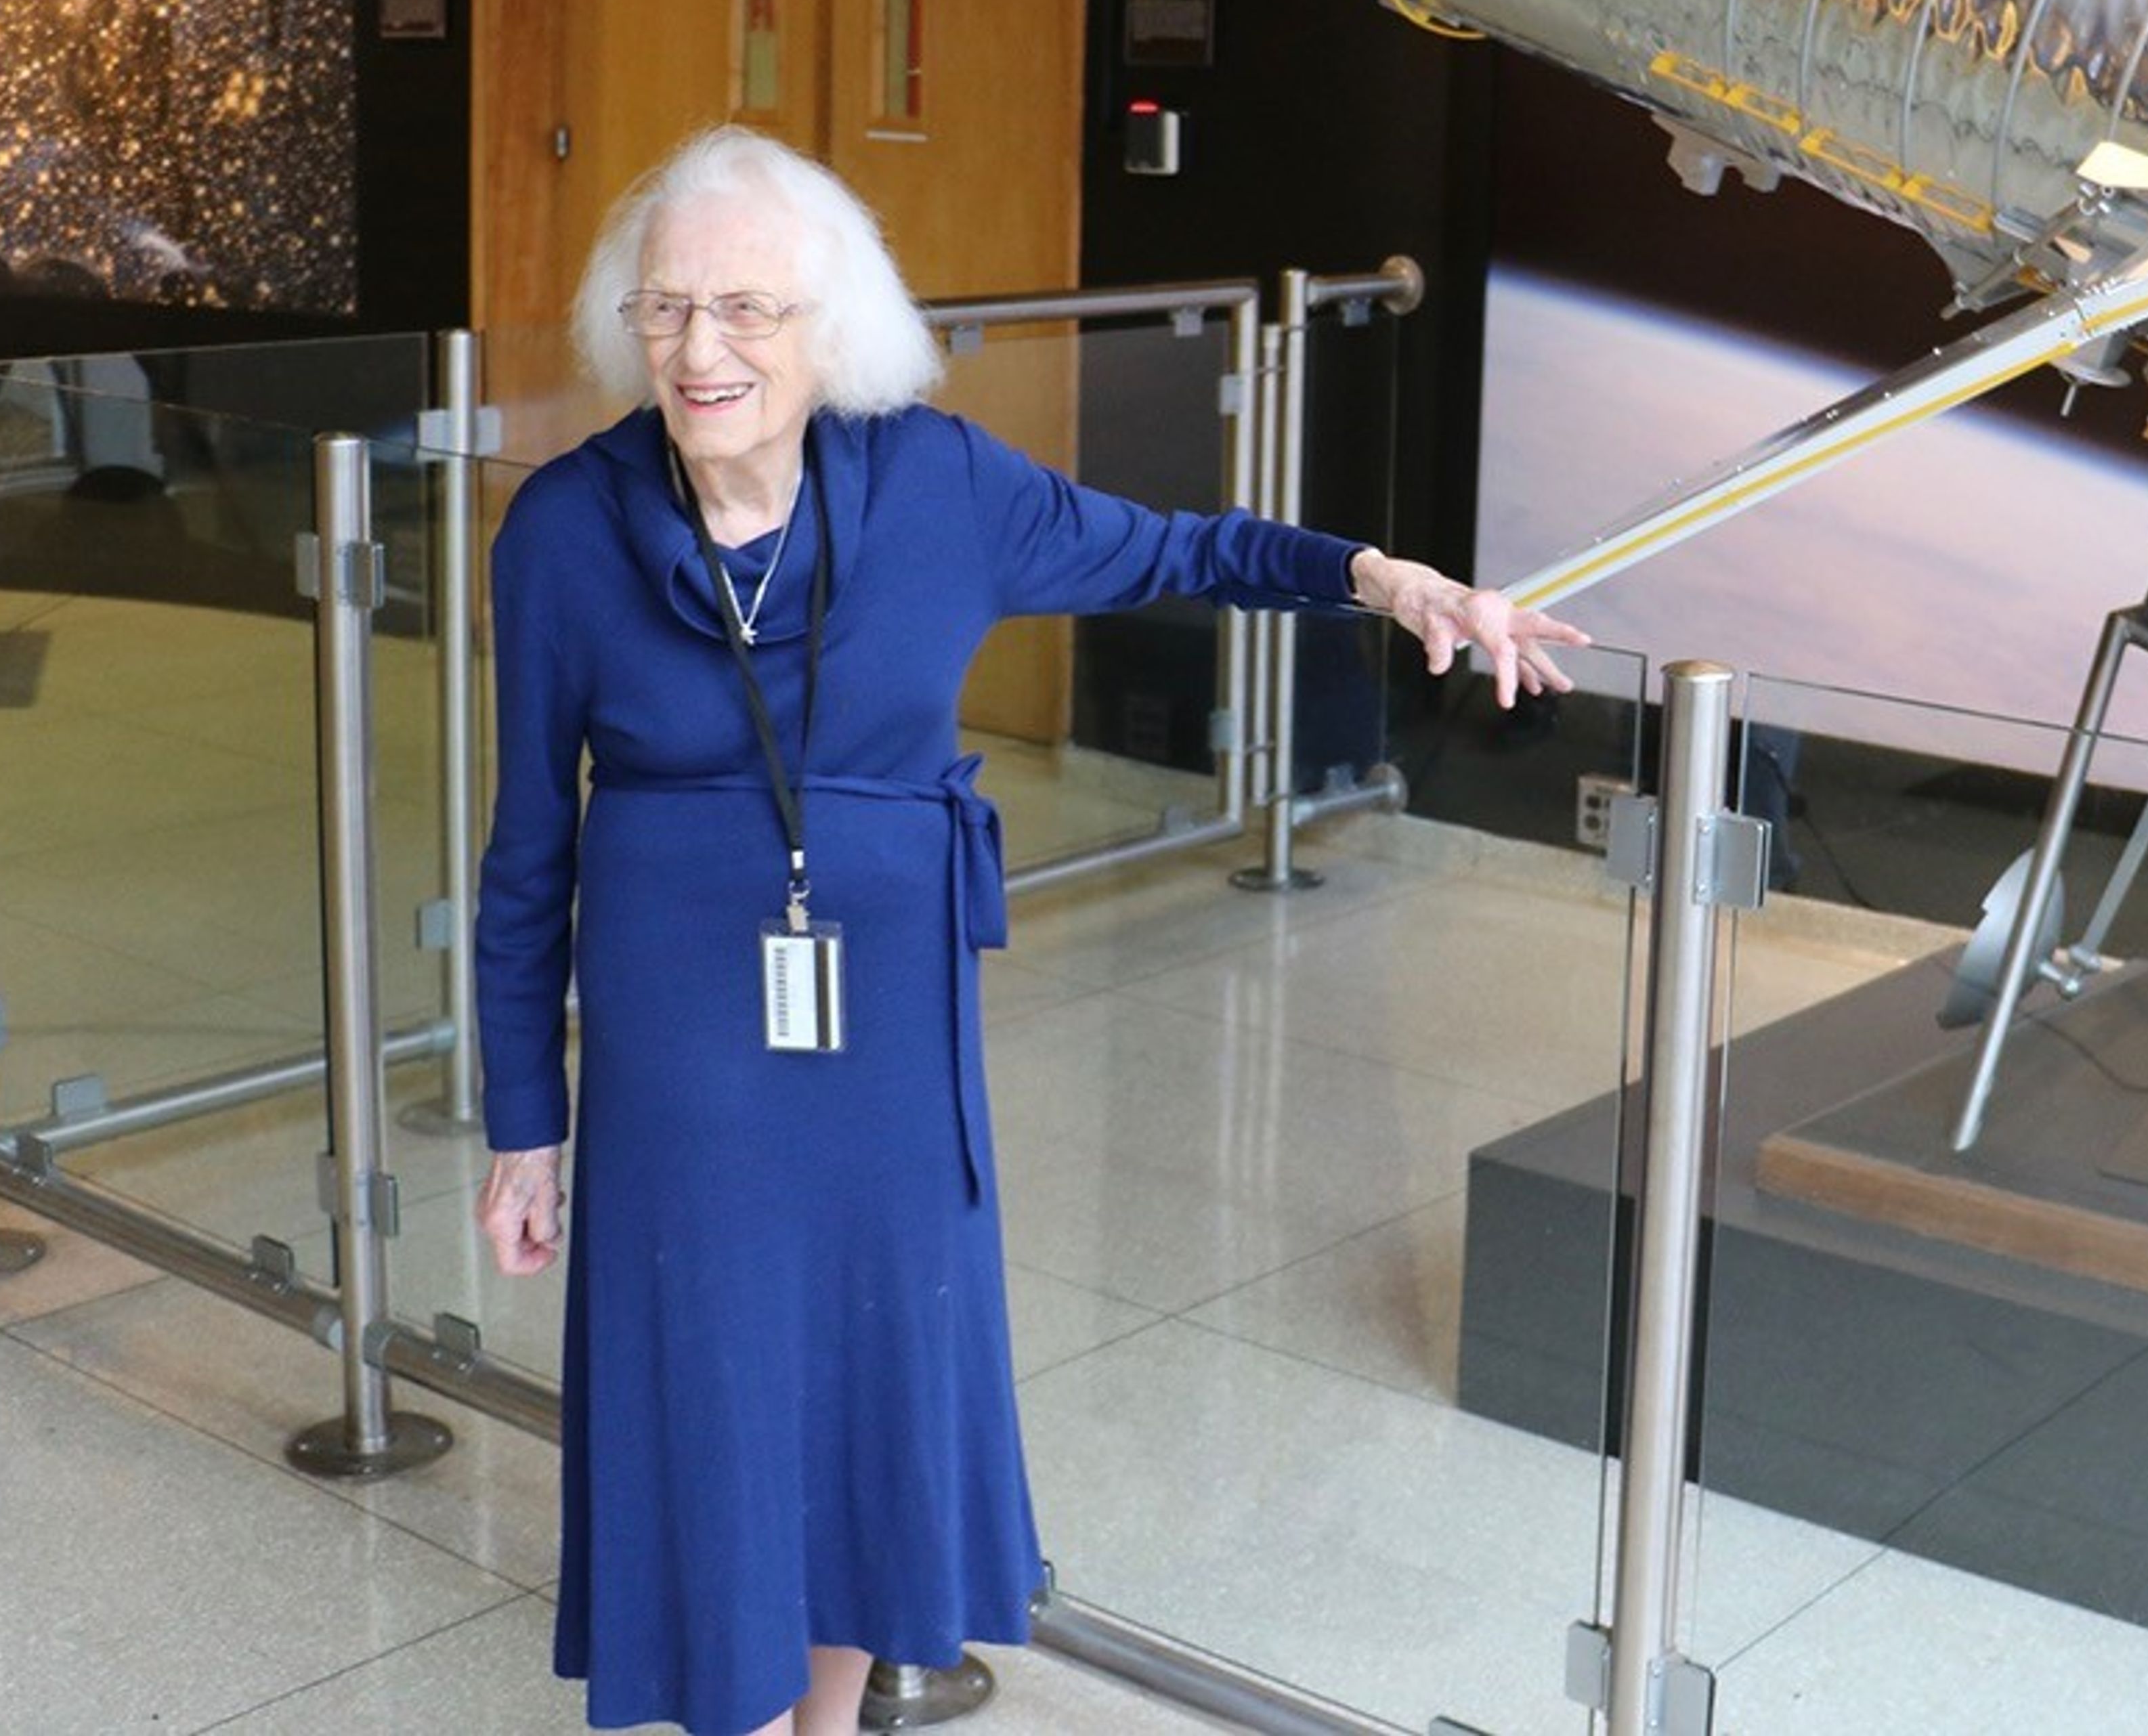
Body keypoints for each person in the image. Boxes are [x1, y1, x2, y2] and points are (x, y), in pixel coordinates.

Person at [473, 125, 1585, 1736]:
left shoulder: (935, 484)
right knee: (709, 1390)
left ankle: (828, 1720)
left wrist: (1387, 580)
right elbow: (525, 846)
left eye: (746, 310)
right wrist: (526, 1123)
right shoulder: (567, 529)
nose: (700, 350)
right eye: (664, 311)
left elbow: (1183, 548)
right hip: (681, 1044)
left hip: (889, 1037)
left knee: (869, 1379)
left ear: (829, 327)